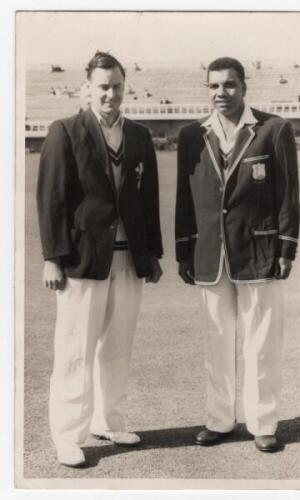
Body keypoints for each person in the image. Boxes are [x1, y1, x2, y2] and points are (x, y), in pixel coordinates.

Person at [37, 51, 163, 467]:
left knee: (117, 348)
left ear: (125, 87)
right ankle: (67, 435)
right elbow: (52, 199)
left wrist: (153, 253)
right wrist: (53, 257)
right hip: (83, 261)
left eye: (116, 86)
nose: (110, 94)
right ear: (87, 88)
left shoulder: (140, 135)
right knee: (75, 349)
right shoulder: (65, 131)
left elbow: (148, 200)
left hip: (130, 260)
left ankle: (109, 420)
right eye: (102, 86)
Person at [175, 57, 299, 452]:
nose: (221, 93)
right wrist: (184, 249)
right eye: (213, 86)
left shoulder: (273, 129)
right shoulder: (192, 135)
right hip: (211, 253)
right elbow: (185, 198)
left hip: (260, 249)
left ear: (244, 86)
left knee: (262, 341)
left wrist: (287, 247)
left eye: (229, 85)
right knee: (217, 340)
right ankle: (220, 419)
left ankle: (263, 423)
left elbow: (288, 195)